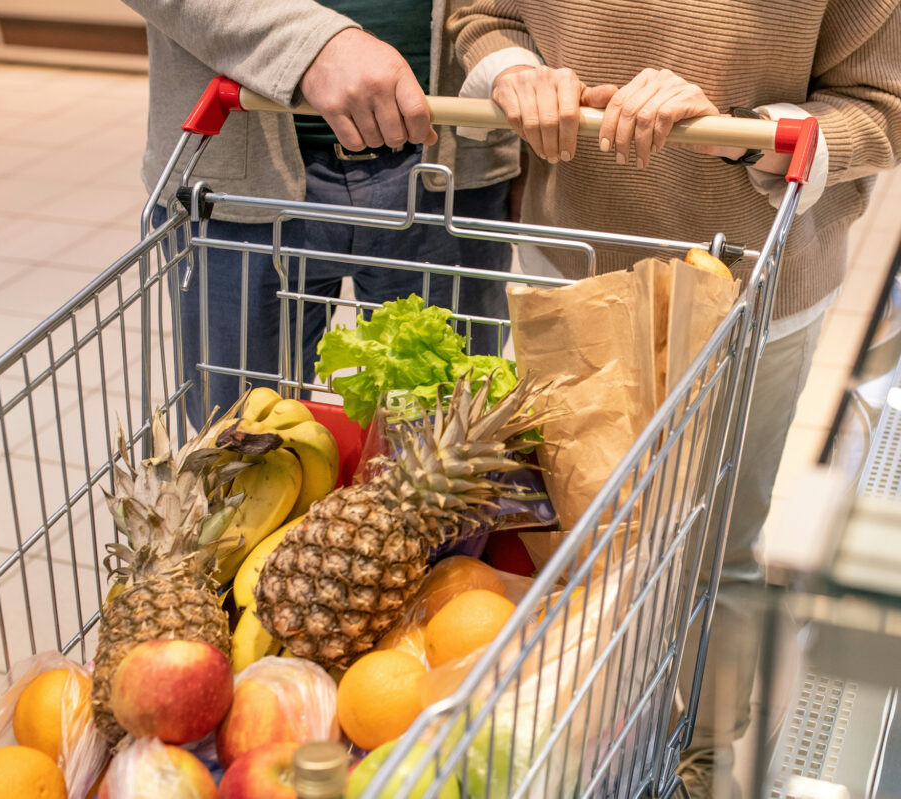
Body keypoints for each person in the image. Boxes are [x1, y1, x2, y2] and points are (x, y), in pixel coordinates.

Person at [447, 0, 901, 794]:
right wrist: (516, 74)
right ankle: (572, 754)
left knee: (719, 550)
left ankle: (703, 760)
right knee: (565, 540)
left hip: (756, 285)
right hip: (569, 263)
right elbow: (483, 16)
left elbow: (882, 109)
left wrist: (749, 130)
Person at [120, 0, 520, 425]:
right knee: (237, 445)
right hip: (234, 175)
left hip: (453, 159)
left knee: (449, 435)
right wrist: (314, 45)